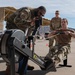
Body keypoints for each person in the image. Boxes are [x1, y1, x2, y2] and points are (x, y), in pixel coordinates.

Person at [5, 6, 46, 75]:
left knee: (24, 47)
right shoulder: (27, 11)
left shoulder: (35, 17)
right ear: (37, 9)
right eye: (40, 13)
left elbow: (31, 28)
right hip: (12, 26)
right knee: (12, 47)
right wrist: (30, 23)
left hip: (20, 29)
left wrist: (28, 37)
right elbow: (17, 21)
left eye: (42, 15)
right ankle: (9, 67)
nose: (40, 15)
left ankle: (24, 64)